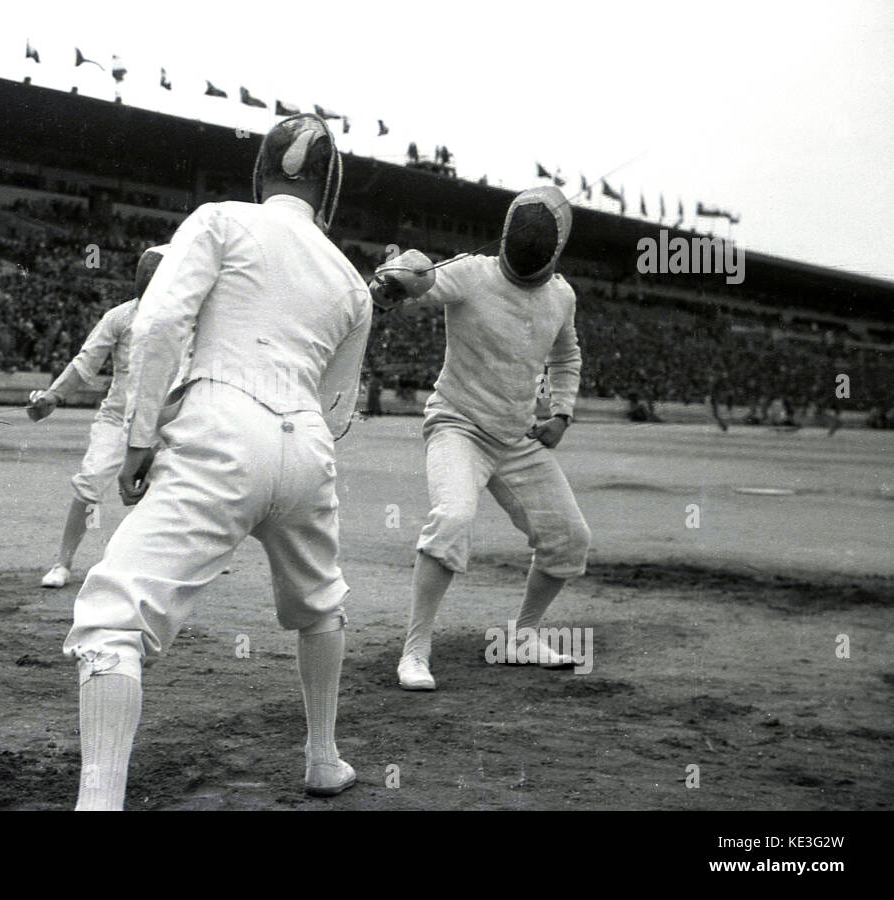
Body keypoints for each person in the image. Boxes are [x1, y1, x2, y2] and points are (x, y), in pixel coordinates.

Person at [62, 114, 374, 810]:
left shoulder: (220, 218)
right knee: (321, 602)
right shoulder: (352, 282)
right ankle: (322, 759)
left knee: (113, 619)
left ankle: (98, 803)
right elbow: (339, 410)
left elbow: (159, 322)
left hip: (221, 421)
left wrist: (142, 433)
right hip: (306, 443)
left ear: (260, 172)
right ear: (327, 190)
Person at [373, 185, 591, 691]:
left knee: (569, 539)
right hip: (458, 425)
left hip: (516, 436)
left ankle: (523, 636)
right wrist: (396, 277)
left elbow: (566, 357)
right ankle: (415, 650)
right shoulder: (471, 273)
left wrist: (561, 413)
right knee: (452, 518)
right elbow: (410, 286)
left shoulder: (561, 296)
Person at [28, 245, 168, 588]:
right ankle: (62, 563)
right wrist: (54, 395)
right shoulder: (119, 317)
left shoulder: (189, 321)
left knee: (180, 489)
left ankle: (185, 563)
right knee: (90, 481)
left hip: (165, 425)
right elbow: (85, 362)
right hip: (117, 419)